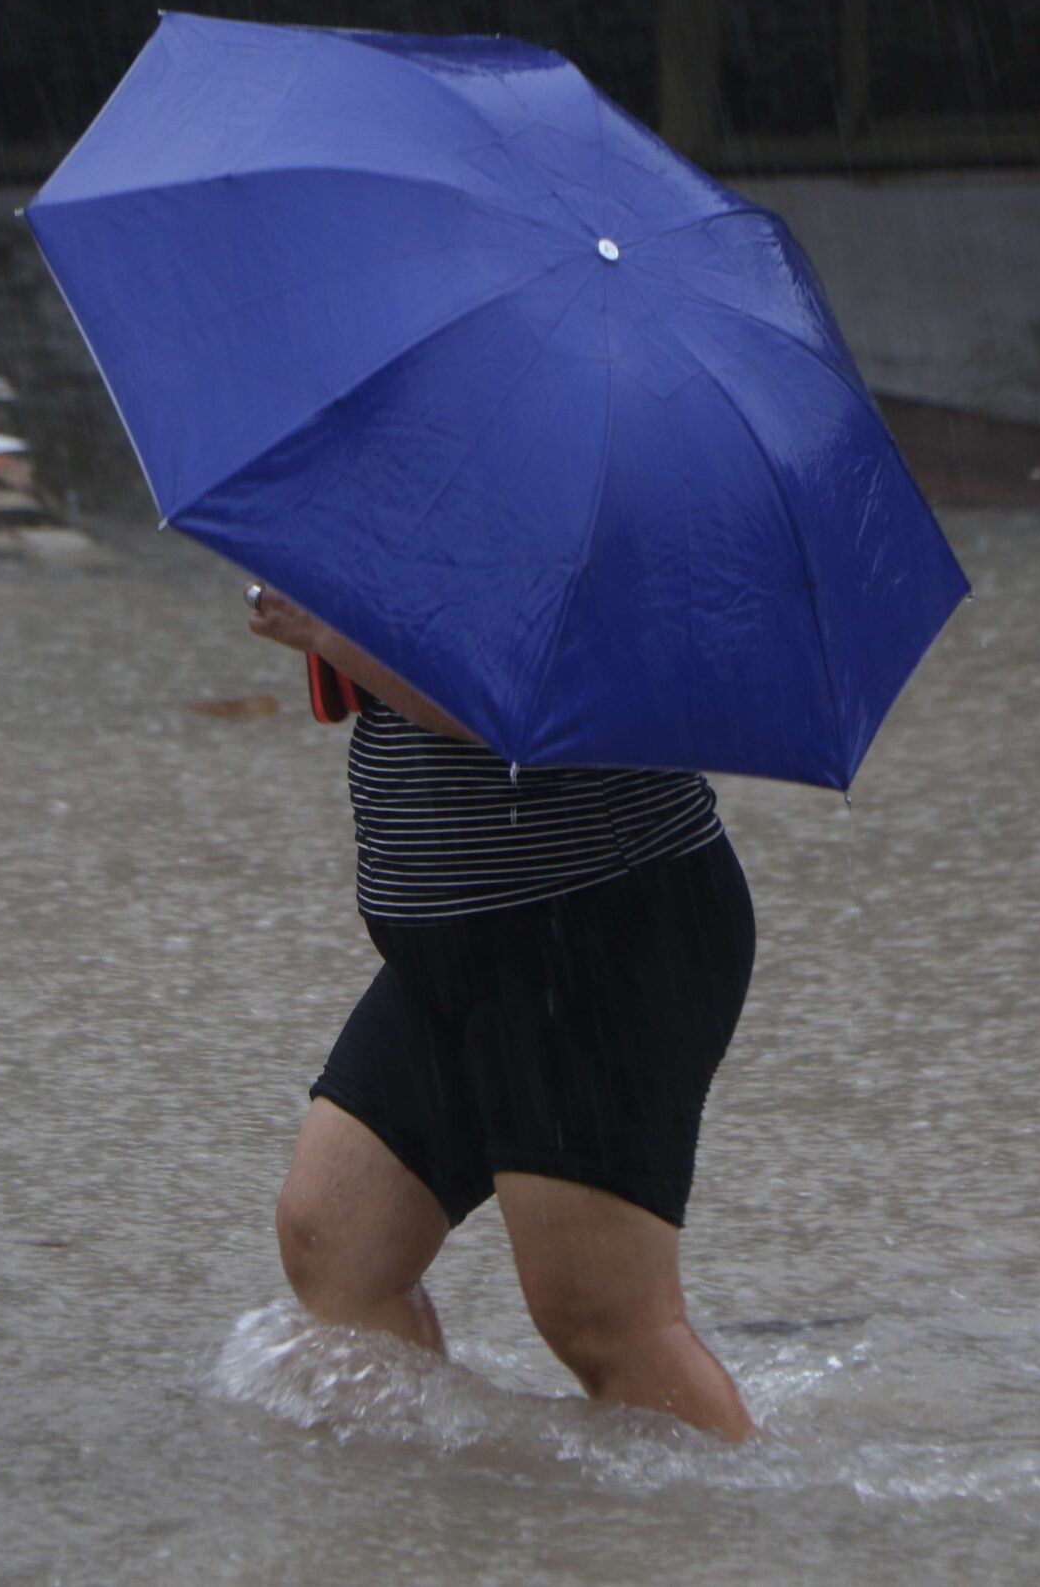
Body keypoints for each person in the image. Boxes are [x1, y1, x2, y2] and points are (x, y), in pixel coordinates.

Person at [246, 584, 761, 1441]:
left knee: (601, 1320)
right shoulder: (429, 509)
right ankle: (451, 1508)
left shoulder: (561, 520)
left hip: (594, 931)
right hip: (453, 947)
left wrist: (329, 626)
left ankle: (752, 1512)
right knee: (335, 1240)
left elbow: (514, 704)